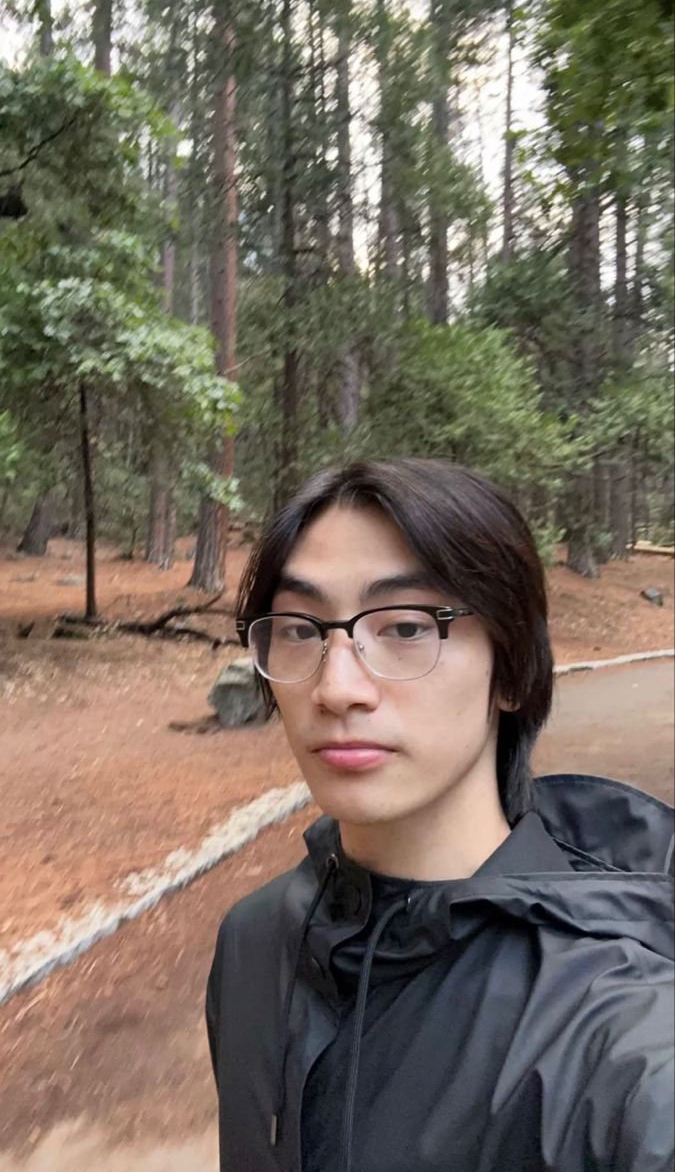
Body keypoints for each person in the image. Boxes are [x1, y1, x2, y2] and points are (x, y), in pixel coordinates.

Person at [205, 458, 674, 1172]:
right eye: (300, 628)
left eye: (404, 627)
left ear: (511, 670)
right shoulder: (254, 943)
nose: (336, 688)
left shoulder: (621, 1036)